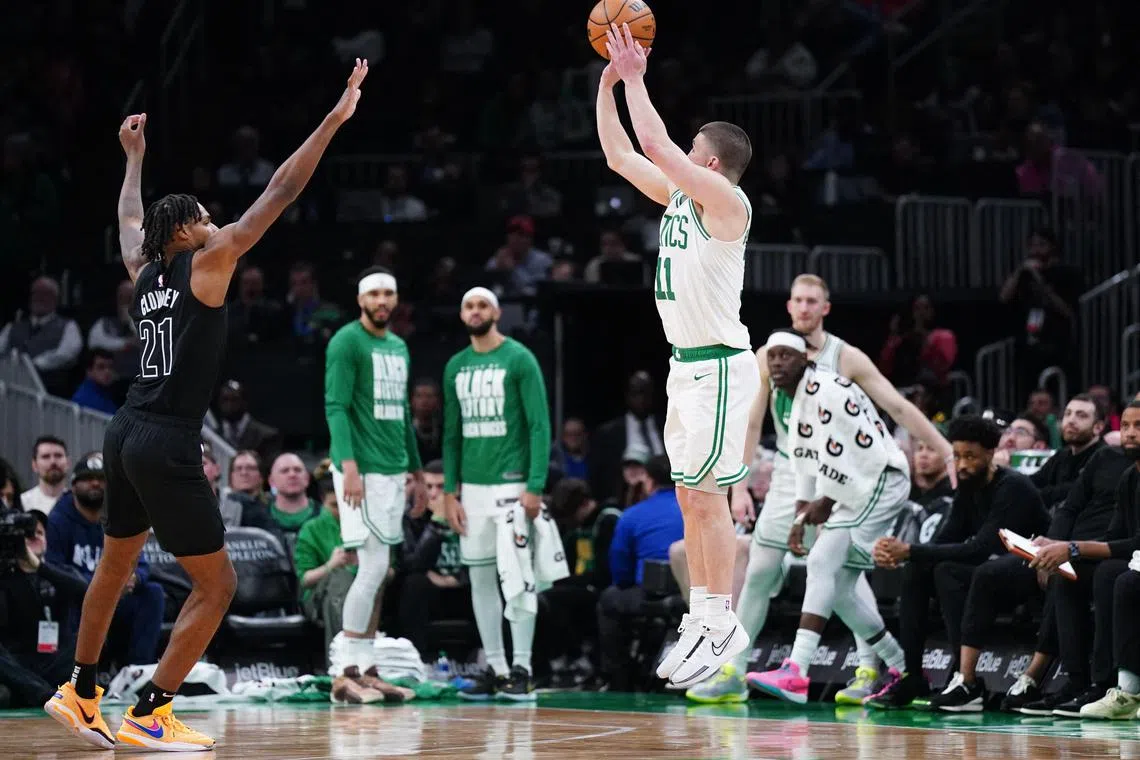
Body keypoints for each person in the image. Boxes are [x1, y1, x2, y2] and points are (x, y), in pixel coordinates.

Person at [45, 60, 369, 751]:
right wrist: (334, 120)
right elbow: (279, 190)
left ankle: (80, 688)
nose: (215, 219)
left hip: (125, 428)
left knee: (113, 565)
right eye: (203, 216)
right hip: (164, 439)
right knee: (217, 586)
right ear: (186, 231)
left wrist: (132, 159)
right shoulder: (210, 260)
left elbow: (131, 219)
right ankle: (151, 709)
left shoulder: (147, 271)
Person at [689, 274, 953, 704]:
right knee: (763, 570)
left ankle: (868, 667)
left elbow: (897, 408)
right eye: (797, 300)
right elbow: (755, 424)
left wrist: (944, 449)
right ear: (789, 307)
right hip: (801, 472)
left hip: (854, 476)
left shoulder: (839, 364)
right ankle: (734, 669)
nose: (805, 307)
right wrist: (742, 488)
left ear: (825, 308)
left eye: (813, 300)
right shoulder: (772, 358)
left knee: (838, 567)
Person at [598, 23, 759, 689]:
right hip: (685, 366)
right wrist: (607, 82)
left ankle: (720, 619)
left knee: (708, 496)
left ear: (710, 165)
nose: (677, 161)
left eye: (693, 156)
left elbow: (658, 147)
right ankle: (704, 616)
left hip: (721, 364)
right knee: (691, 495)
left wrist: (637, 75)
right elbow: (619, 155)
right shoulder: (678, 198)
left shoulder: (728, 204)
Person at [743, 330, 911, 704]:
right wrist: (801, 515)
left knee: (823, 565)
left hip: (881, 481)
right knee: (837, 588)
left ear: (806, 360)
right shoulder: (793, 397)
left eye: (787, 356)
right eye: (772, 357)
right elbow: (805, 460)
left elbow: (855, 454)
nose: (777, 364)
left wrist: (826, 501)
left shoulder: (828, 392)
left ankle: (796, 672)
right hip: (856, 488)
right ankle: (902, 667)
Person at [868, 415, 1047, 709]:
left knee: (946, 571)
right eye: (958, 456)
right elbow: (947, 538)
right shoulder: (968, 485)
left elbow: (980, 549)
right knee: (919, 570)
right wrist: (902, 552)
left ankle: (966, 679)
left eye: (970, 457)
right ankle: (913, 674)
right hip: (990, 571)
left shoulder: (1013, 487)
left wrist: (910, 550)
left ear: (990, 454)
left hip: (1031, 569)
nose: (962, 465)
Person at [442, 287, 552, 700]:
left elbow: (539, 426)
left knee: (519, 579)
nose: (475, 311)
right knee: (481, 579)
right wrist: (450, 493)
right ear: (461, 314)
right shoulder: (455, 365)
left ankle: (522, 666)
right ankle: (497, 667)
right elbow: (451, 435)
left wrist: (534, 485)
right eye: (468, 305)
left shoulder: (520, 358)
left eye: (482, 305)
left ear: (497, 312)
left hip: (512, 485)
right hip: (471, 490)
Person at [324, 266, 425, 701]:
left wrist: (418, 472)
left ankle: (366, 667)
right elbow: (336, 406)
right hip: (360, 470)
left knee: (380, 571)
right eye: (375, 294)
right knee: (370, 568)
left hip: (392, 469)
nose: (382, 301)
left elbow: (402, 413)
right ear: (361, 300)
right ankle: (345, 671)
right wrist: (348, 466)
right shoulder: (347, 341)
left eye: (389, 294)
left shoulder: (399, 346)